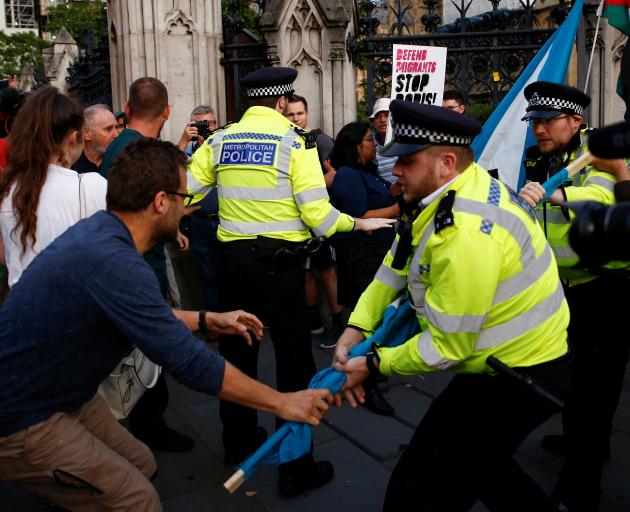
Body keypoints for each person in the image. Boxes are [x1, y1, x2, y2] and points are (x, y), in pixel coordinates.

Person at [0, 136, 333, 511]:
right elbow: (190, 363)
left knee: (141, 463)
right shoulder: (115, 261)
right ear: (161, 202)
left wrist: (208, 318)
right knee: (137, 500)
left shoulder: (104, 235)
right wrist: (281, 402)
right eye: (183, 197)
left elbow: (145, 316)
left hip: (65, 395)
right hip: (23, 416)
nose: (187, 206)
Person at [334, 100, 572, 511]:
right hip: (510, 364)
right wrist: (358, 327)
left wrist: (374, 364)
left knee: (421, 487)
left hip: (518, 376)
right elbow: (396, 262)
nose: (396, 172)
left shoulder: (466, 233)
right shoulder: (456, 189)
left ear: (446, 162)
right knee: (482, 467)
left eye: (406, 161)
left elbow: (447, 346)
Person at [187, 66, 394, 496]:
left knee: (236, 355)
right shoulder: (296, 143)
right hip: (280, 270)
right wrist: (358, 225)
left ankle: (238, 443)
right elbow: (319, 216)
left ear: (249, 101)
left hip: (232, 265)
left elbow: (186, 192)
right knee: (294, 365)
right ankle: (295, 467)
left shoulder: (220, 139)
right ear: (282, 102)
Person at [517, 81, 629, 511]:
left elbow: (604, 195)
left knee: (596, 392)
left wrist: (560, 193)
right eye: (535, 122)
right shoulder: (538, 157)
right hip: (560, 290)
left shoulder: (597, 151)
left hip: (605, 291)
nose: (539, 130)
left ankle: (582, 486)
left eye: (547, 121)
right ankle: (578, 441)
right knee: (571, 381)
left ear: (575, 121)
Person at [100, 77, 193, 453]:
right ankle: (149, 427)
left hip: (121, 256)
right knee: (151, 346)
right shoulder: (148, 153)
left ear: (127, 106)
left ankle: (139, 421)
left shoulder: (116, 148)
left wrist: (172, 233)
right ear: (167, 112)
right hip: (141, 265)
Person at [0, 86, 107, 287]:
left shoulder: (9, 189)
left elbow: (7, 256)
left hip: (21, 310)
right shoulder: (92, 186)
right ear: (75, 137)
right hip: (74, 310)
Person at [327, 121, 399, 415]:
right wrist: (399, 209)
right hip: (360, 257)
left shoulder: (367, 173)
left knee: (380, 318)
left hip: (377, 254)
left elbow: (382, 197)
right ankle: (364, 385)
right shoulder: (346, 176)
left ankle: (371, 368)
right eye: (370, 140)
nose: (375, 144)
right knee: (364, 319)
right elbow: (360, 215)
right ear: (355, 145)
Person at [284, 94, 343, 346]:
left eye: (300, 113)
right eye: (291, 114)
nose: (296, 118)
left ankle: (339, 324)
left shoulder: (320, 141)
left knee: (327, 272)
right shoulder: (285, 140)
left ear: (307, 114)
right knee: (305, 271)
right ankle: (313, 321)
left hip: (319, 216)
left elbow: (336, 176)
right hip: (294, 219)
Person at [177, 105, 221, 311]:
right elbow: (169, 169)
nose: (207, 128)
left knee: (231, 274)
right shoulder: (186, 151)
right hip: (199, 222)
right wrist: (184, 140)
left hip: (224, 221)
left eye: (210, 123)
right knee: (208, 277)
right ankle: (214, 324)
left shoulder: (224, 147)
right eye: (201, 124)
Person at [73, 104, 118, 174]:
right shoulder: (72, 168)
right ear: (86, 134)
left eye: (116, 127)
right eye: (108, 129)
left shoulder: (122, 160)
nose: (116, 134)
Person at [370, 97, 398, 185]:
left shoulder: (405, 140)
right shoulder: (369, 144)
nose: (382, 120)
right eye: (378, 116)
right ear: (373, 122)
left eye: (387, 115)